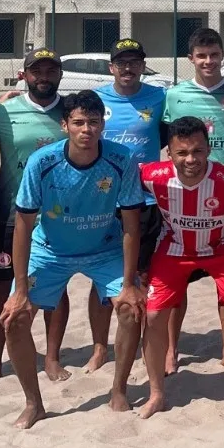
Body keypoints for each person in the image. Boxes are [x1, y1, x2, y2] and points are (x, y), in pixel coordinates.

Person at [0, 90, 147, 428]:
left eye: (93, 122)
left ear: (102, 125)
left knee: (130, 308)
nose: (86, 129)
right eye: (78, 122)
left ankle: (119, 390)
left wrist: (127, 284)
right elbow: (23, 224)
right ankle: (34, 403)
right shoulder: (43, 161)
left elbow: (131, 225)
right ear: (64, 125)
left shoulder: (121, 159)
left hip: (104, 247)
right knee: (15, 318)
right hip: (50, 250)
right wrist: (20, 289)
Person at [138, 117, 224, 419]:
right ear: (169, 153)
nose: (190, 159)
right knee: (152, 315)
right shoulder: (152, 176)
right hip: (175, 250)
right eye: (182, 153)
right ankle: (156, 393)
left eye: (198, 151)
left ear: (208, 149)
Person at [163, 27, 224, 371]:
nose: (208, 61)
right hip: (183, 199)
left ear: (223, 55)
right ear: (191, 58)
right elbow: (168, 142)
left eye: (214, 54)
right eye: (201, 55)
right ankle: (171, 349)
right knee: (177, 280)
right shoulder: (174, 96)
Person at [0, 49, 65, 385]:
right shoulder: (3, 110)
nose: (43, 77)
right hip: (11, 215)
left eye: (50, 70)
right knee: (3, 290)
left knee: (55, 290)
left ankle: (52, 358)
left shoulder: (71, 110)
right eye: (36, 71)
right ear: (24, 74)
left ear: (59, 73)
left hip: (58, 217)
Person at [90, 38, 167, 375]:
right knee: (102, 280)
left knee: (145, 276)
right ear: (111, 67)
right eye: (121, 62)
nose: (128, 68)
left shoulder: (159, 97)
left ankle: (145, 342)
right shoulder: (97, 99)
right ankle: (98, 348)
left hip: (146, 199)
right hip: (104, 200)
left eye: (134, 61)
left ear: (142, 66)